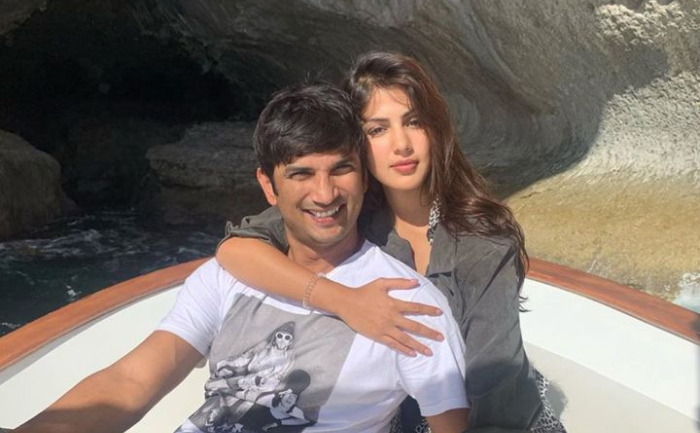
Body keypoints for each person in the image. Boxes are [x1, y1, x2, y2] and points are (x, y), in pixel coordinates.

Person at [13, 83, 469, 433]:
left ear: (364, 178)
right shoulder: (225, 277)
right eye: (301, 174)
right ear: (269, 186)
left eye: (341, 170)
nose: (325, 194)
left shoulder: (409, 303)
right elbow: (130, 382)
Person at [216, 52, 565, 433]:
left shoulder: (482, 243)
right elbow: (236, 249)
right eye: (377, 130)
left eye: (414, 122)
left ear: (435, 130)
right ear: (355, 145)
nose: (402, 145)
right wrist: (343, 300)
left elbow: (494, 392)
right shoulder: (344, 215)